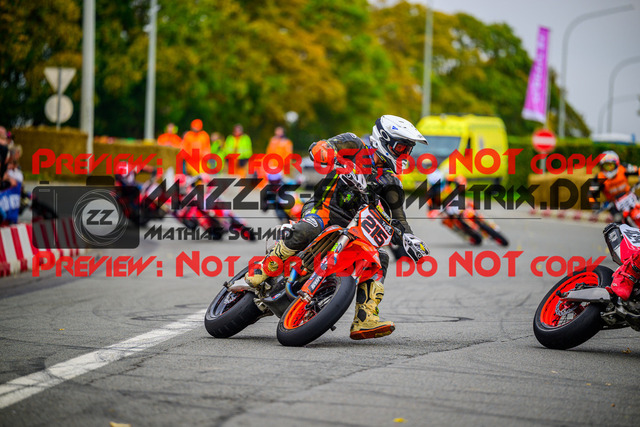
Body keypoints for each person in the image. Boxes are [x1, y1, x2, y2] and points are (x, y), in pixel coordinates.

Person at [245, 115, 429, 340]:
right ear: (384, 139)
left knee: (380, 258)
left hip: (352, 227)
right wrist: (326, 152)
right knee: (311, 228)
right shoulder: (354, 144)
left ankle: (365, 318)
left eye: (408, 150)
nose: (404, 154)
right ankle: (264, 268)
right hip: (323, 209)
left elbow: (399, 218)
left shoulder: (391, 181)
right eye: (401, 147)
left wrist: (410, 239)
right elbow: (321, 147)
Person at [589, 151, 640, 219]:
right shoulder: (599, 178)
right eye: (606, 166)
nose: (609, 169)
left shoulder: (623, 168)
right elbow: (591, 195)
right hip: (614, 204)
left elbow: (638, 170)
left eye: (611, 165)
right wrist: (595, 207)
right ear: (601, 167)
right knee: (618, 220)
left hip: (630, 196)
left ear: (617, 164)